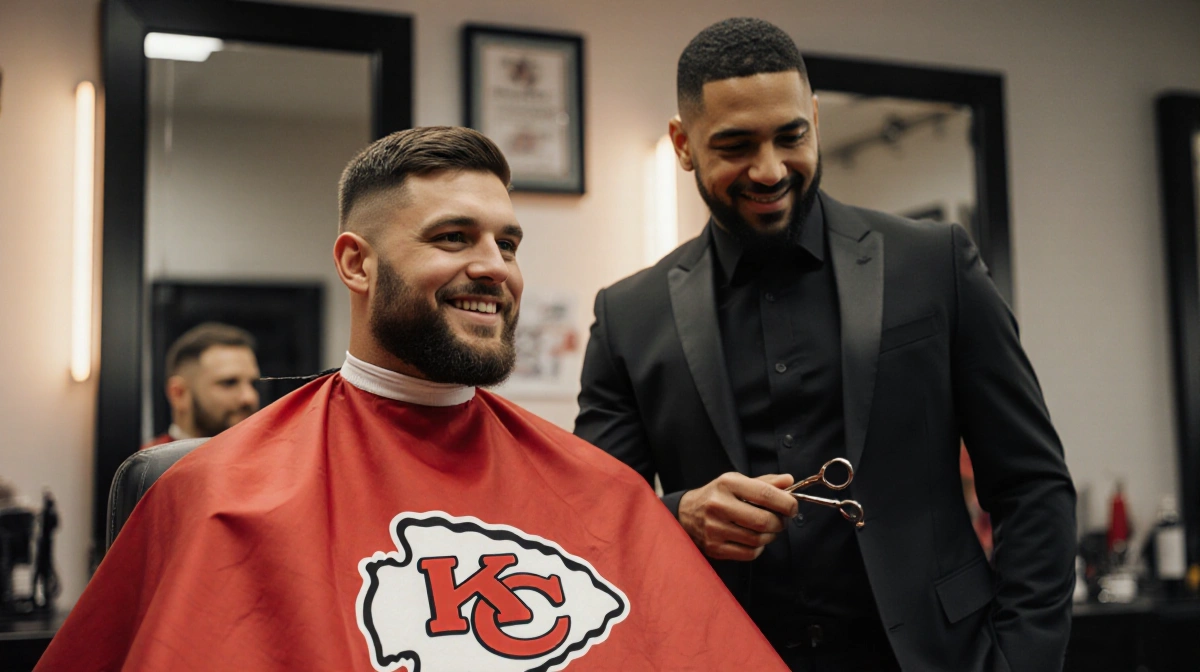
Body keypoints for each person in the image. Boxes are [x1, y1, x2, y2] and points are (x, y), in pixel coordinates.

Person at [37, 127, 788, 671]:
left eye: (508, 244)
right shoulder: (218, 496)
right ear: (356, 265)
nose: (496, 268)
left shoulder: (601, 491)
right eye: (454, 237)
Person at [574, 17, 1076, 672]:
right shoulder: (627, 316)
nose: (769, 170)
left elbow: (1032, 484)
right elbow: (593, 520)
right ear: (683, 144)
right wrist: (680, 515)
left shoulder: (935, 264)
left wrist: (1021, 662)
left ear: (814, 117)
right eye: (736, 145)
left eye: (791, 136)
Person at [139, 322, 261, 449]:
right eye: (229, 383)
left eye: (253, 383)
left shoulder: (264, 456)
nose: (250, 397)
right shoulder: (148, 461)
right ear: (179, 394)